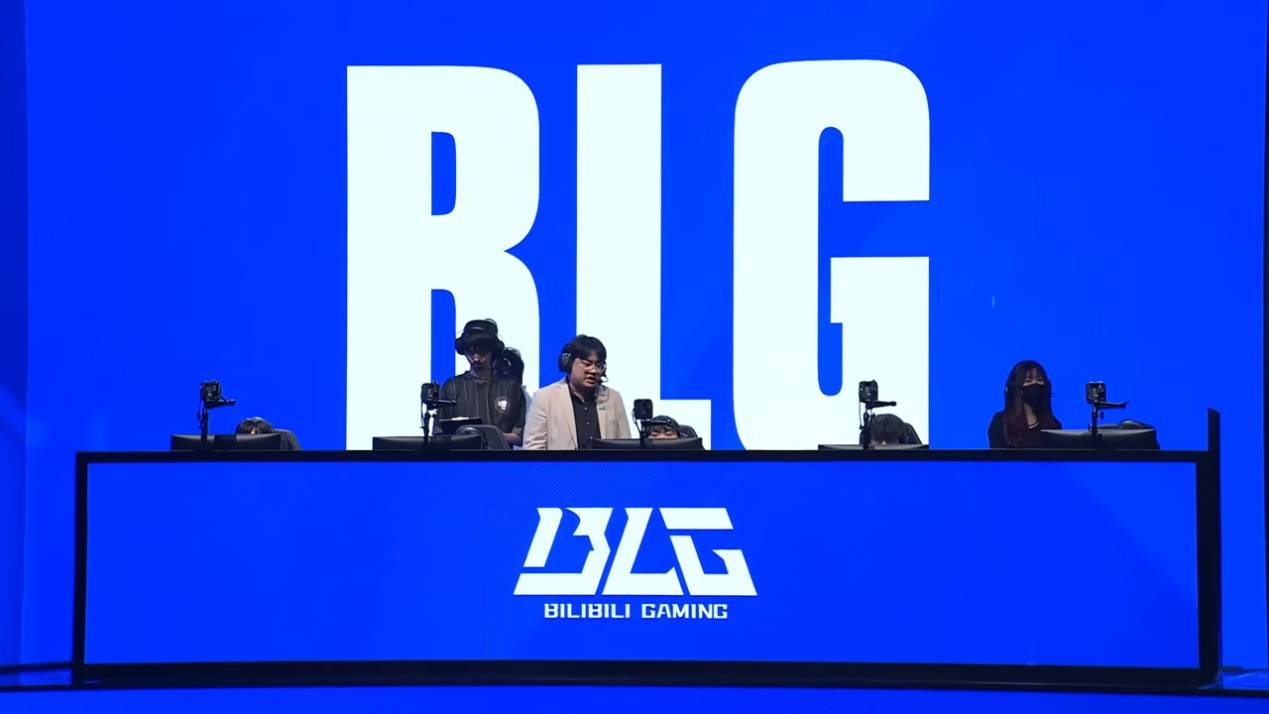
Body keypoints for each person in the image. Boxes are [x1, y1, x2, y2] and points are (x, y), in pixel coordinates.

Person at [523, 334, 631, 449]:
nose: (594, 370)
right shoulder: (544, 397)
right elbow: (533, 448)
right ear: (569, 363)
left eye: (598, 365)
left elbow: (625, 445)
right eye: (587, 364)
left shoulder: (613, 398)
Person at [439, 319, 527, 447]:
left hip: (500, 457)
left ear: (492, 349)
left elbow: (522, 436)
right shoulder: (451, 387)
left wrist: (488, 435)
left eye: (482, 350)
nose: (475, 357)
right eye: (470, 350)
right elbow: (439, 433)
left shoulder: (510, 386)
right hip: (461, 456)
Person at [988, 360, 1062, 448]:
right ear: (1016, 388)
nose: (1035, 383)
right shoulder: (1001, 422)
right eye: (1028, 380)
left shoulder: (1053, 425)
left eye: (1039, 379)